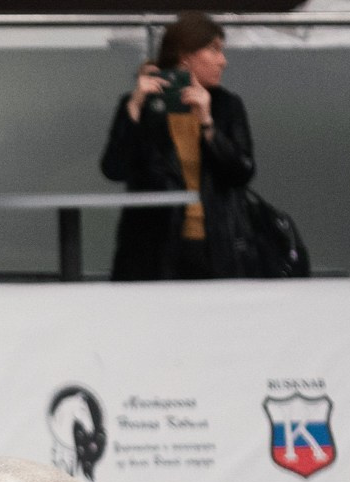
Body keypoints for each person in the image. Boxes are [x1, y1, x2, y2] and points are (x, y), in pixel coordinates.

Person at [100, 11, 255, 281]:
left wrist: (207, 123)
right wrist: (135, 108)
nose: (223, 61)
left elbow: (242, 172)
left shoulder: (227, 105)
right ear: (186, 56)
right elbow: (114, 169)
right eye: (214, 50)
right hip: (151, 251)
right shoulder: (141, 103)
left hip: (215, 246)